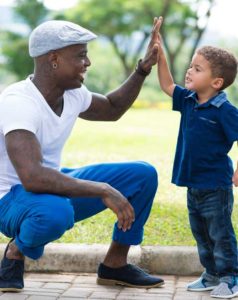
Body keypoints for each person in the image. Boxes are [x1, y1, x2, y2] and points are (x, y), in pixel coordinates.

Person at [0, 19, 164, 292]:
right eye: (80, 55)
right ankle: (15, 252)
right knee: (56, 213)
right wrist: (102, 189)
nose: (87, 62)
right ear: (53, 59)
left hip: (49, 187)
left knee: (142, 175)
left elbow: (112, 108)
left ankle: (115, 265)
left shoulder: (73, 94)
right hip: (10, 198)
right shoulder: (19, 102)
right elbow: (31, 177)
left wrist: (142, 69)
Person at [156, 17, 238, 299]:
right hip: (193, 183)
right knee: (201, 232)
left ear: (216, 82)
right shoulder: (189, 100)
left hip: (216, 185)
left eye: (197, 68)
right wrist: (160, 54)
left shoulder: (224, 110)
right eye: (191, 66)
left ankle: (231, 277)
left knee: (220, 233)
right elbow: (167, 85)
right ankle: (211, 274)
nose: (189, 72)